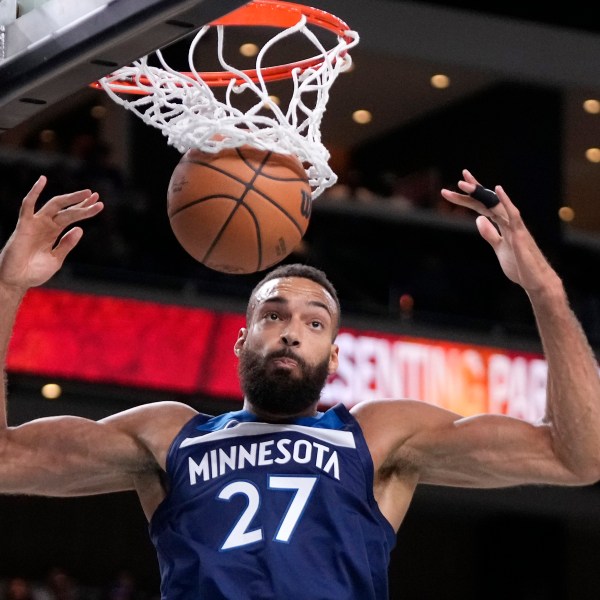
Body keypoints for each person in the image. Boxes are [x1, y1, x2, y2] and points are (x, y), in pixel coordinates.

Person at [1, 170, 600, 600]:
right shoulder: (167, 435)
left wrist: (544, 291)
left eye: (313, 322)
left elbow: (578, 457)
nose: (291, 332)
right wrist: (7, 288)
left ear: (334, 356)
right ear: (242, 341)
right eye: (273, 315)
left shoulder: (379, 436)